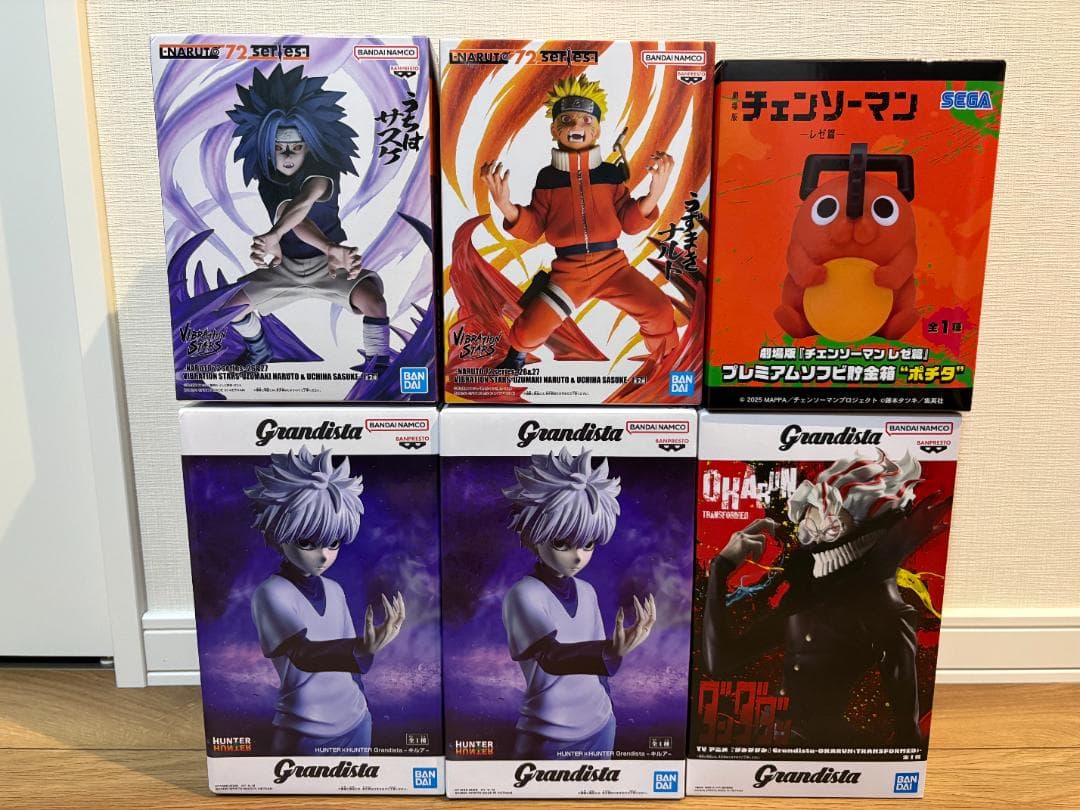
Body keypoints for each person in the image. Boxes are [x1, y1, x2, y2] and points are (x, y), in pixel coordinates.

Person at [702, 451, 951, 747]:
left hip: (828, 746)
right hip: (778, 741)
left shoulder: (887, 612)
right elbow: (720, 661)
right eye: (809, 527)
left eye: (830, 526)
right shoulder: (805, 596)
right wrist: (720, 569)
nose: (814, 536)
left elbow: (907, 735)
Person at [480, 75, 677, 370]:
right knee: (527, 331)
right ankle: (514, 360)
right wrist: (505, 205)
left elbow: (629, 221)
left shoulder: (609, 173)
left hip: (613, 267)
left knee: (659, 310)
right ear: (554, 129)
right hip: (568, 274)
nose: (577, 127)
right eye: (567, 120)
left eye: (586, 121)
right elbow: (534, 227)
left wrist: (654, 194)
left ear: (596, 130)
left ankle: (670, 364)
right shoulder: (548, 178)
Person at [224, 64, 390, 371]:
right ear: (267, 148)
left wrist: (323, 248)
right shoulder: (268, 182)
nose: (288, 155)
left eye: (296, 147)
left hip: (330, 265)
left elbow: (303, 204)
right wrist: (278, 241)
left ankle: (378, 365)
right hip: (285, 267)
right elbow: (295, 219)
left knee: (374, 303)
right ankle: (259, 350)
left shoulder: (323, 173)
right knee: (228, 308)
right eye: (280, 148)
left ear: (309, 147)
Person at [246, 447, 405, 755]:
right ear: (278, 534)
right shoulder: (272, 593)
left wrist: (366, 654)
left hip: (357, 721)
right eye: (307, 541)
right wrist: (362, 647)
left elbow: (353, 667)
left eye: (333, 542)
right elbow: (303, 654)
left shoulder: (334, 589)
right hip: (303, 731)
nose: (324, 555)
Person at [501, 447, 656, 758]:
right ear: (531, 536)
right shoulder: (524, 594)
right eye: (562, 542)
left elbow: (598, 671)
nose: (578, 556)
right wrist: (611, 650)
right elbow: (552, 657)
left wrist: (609, 701)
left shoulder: (587, 591)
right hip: (547, 734)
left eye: (588, 544)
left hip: (601, 725)